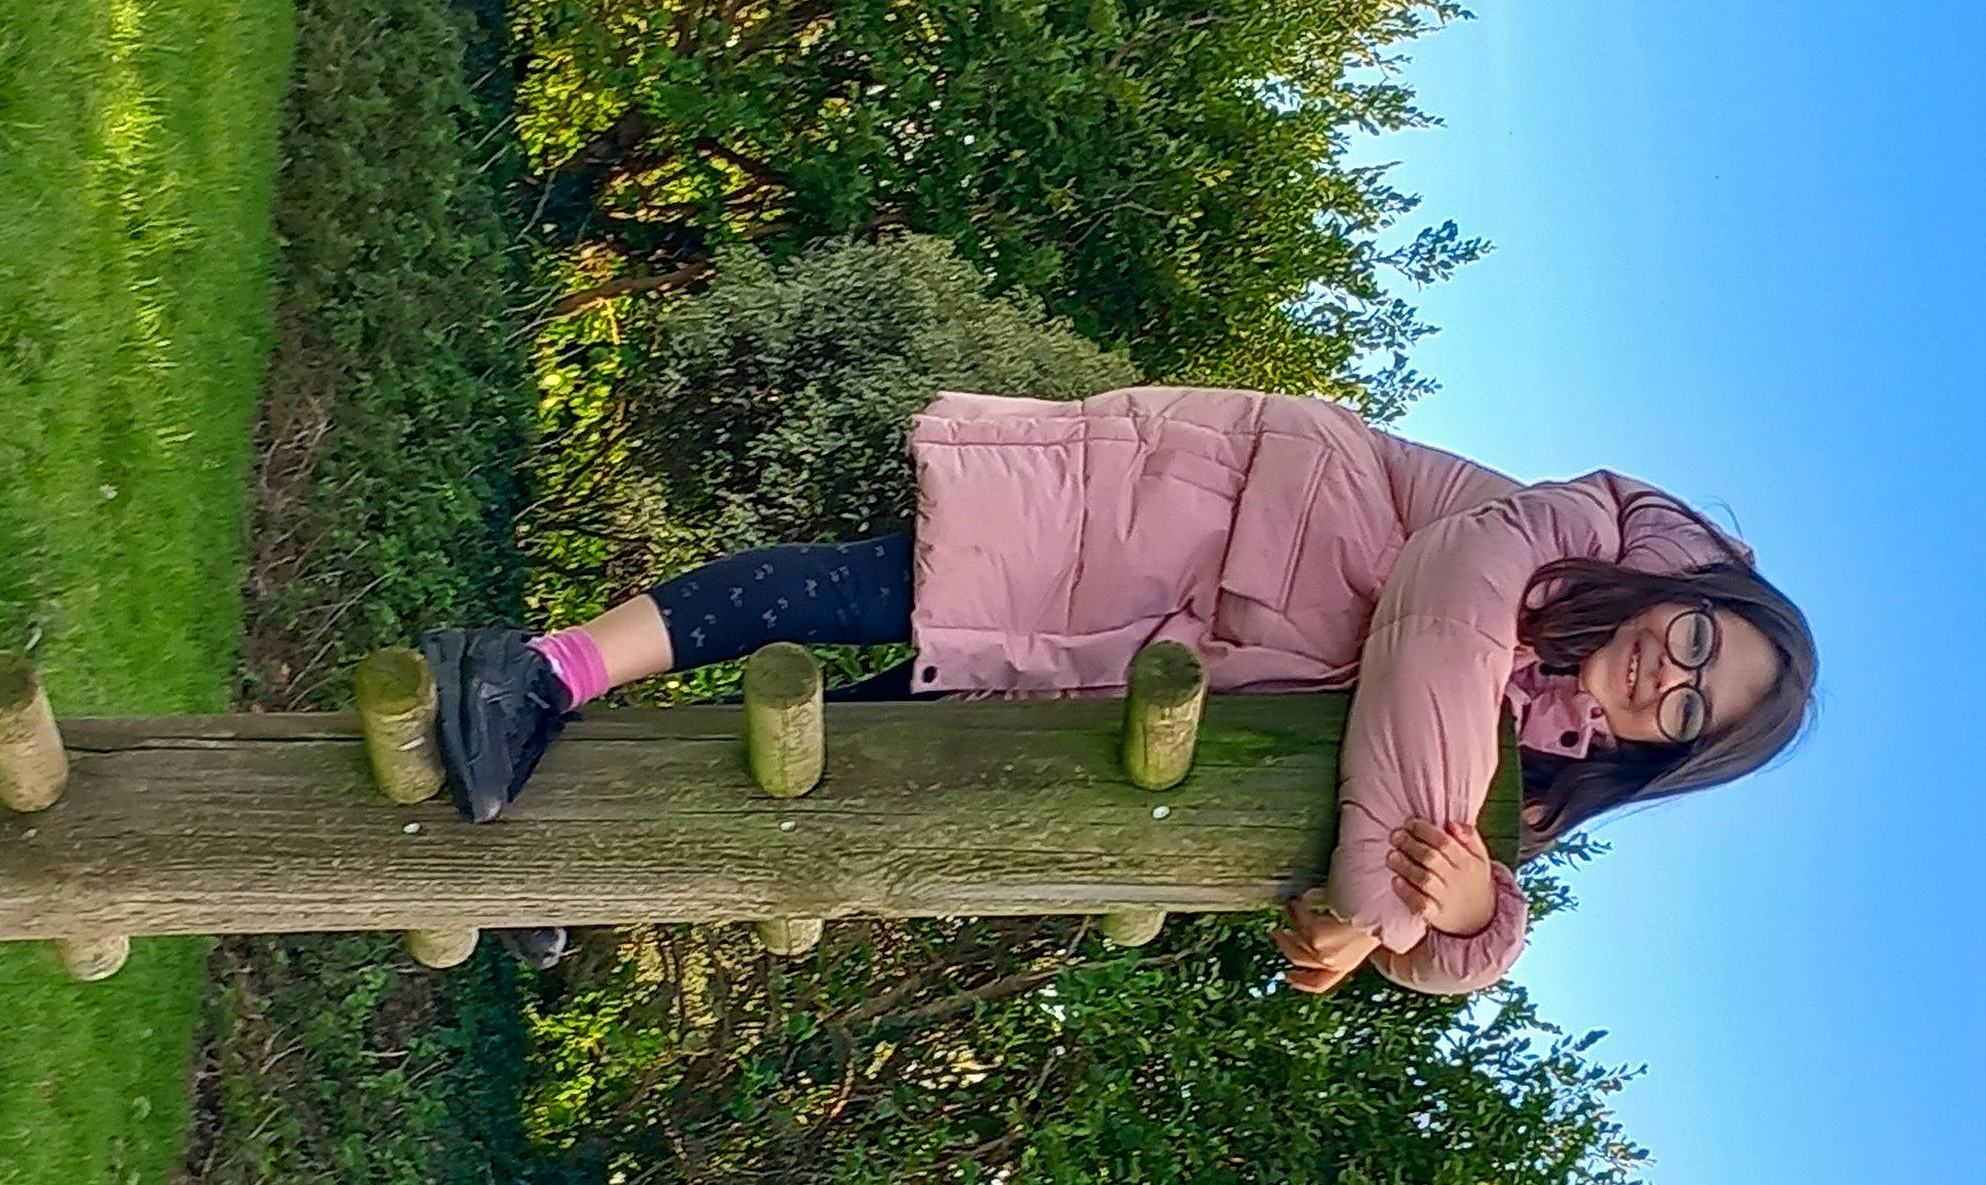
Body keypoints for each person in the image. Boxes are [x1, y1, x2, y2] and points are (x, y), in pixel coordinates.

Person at [422, 387, 1817, 989]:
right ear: (1686, 592)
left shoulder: (1533, 755)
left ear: (1662, 754)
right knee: (866, 589)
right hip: (1190, 525)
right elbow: (1444, 614)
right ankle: (539, 669)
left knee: (868, 752)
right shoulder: (1567, 534)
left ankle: (593, 836)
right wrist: (1381, 904)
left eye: (1691, 708)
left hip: (1172, 661)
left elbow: (1462, 886)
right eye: (1698, 640)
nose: (1666, 674)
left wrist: (1464, 924)